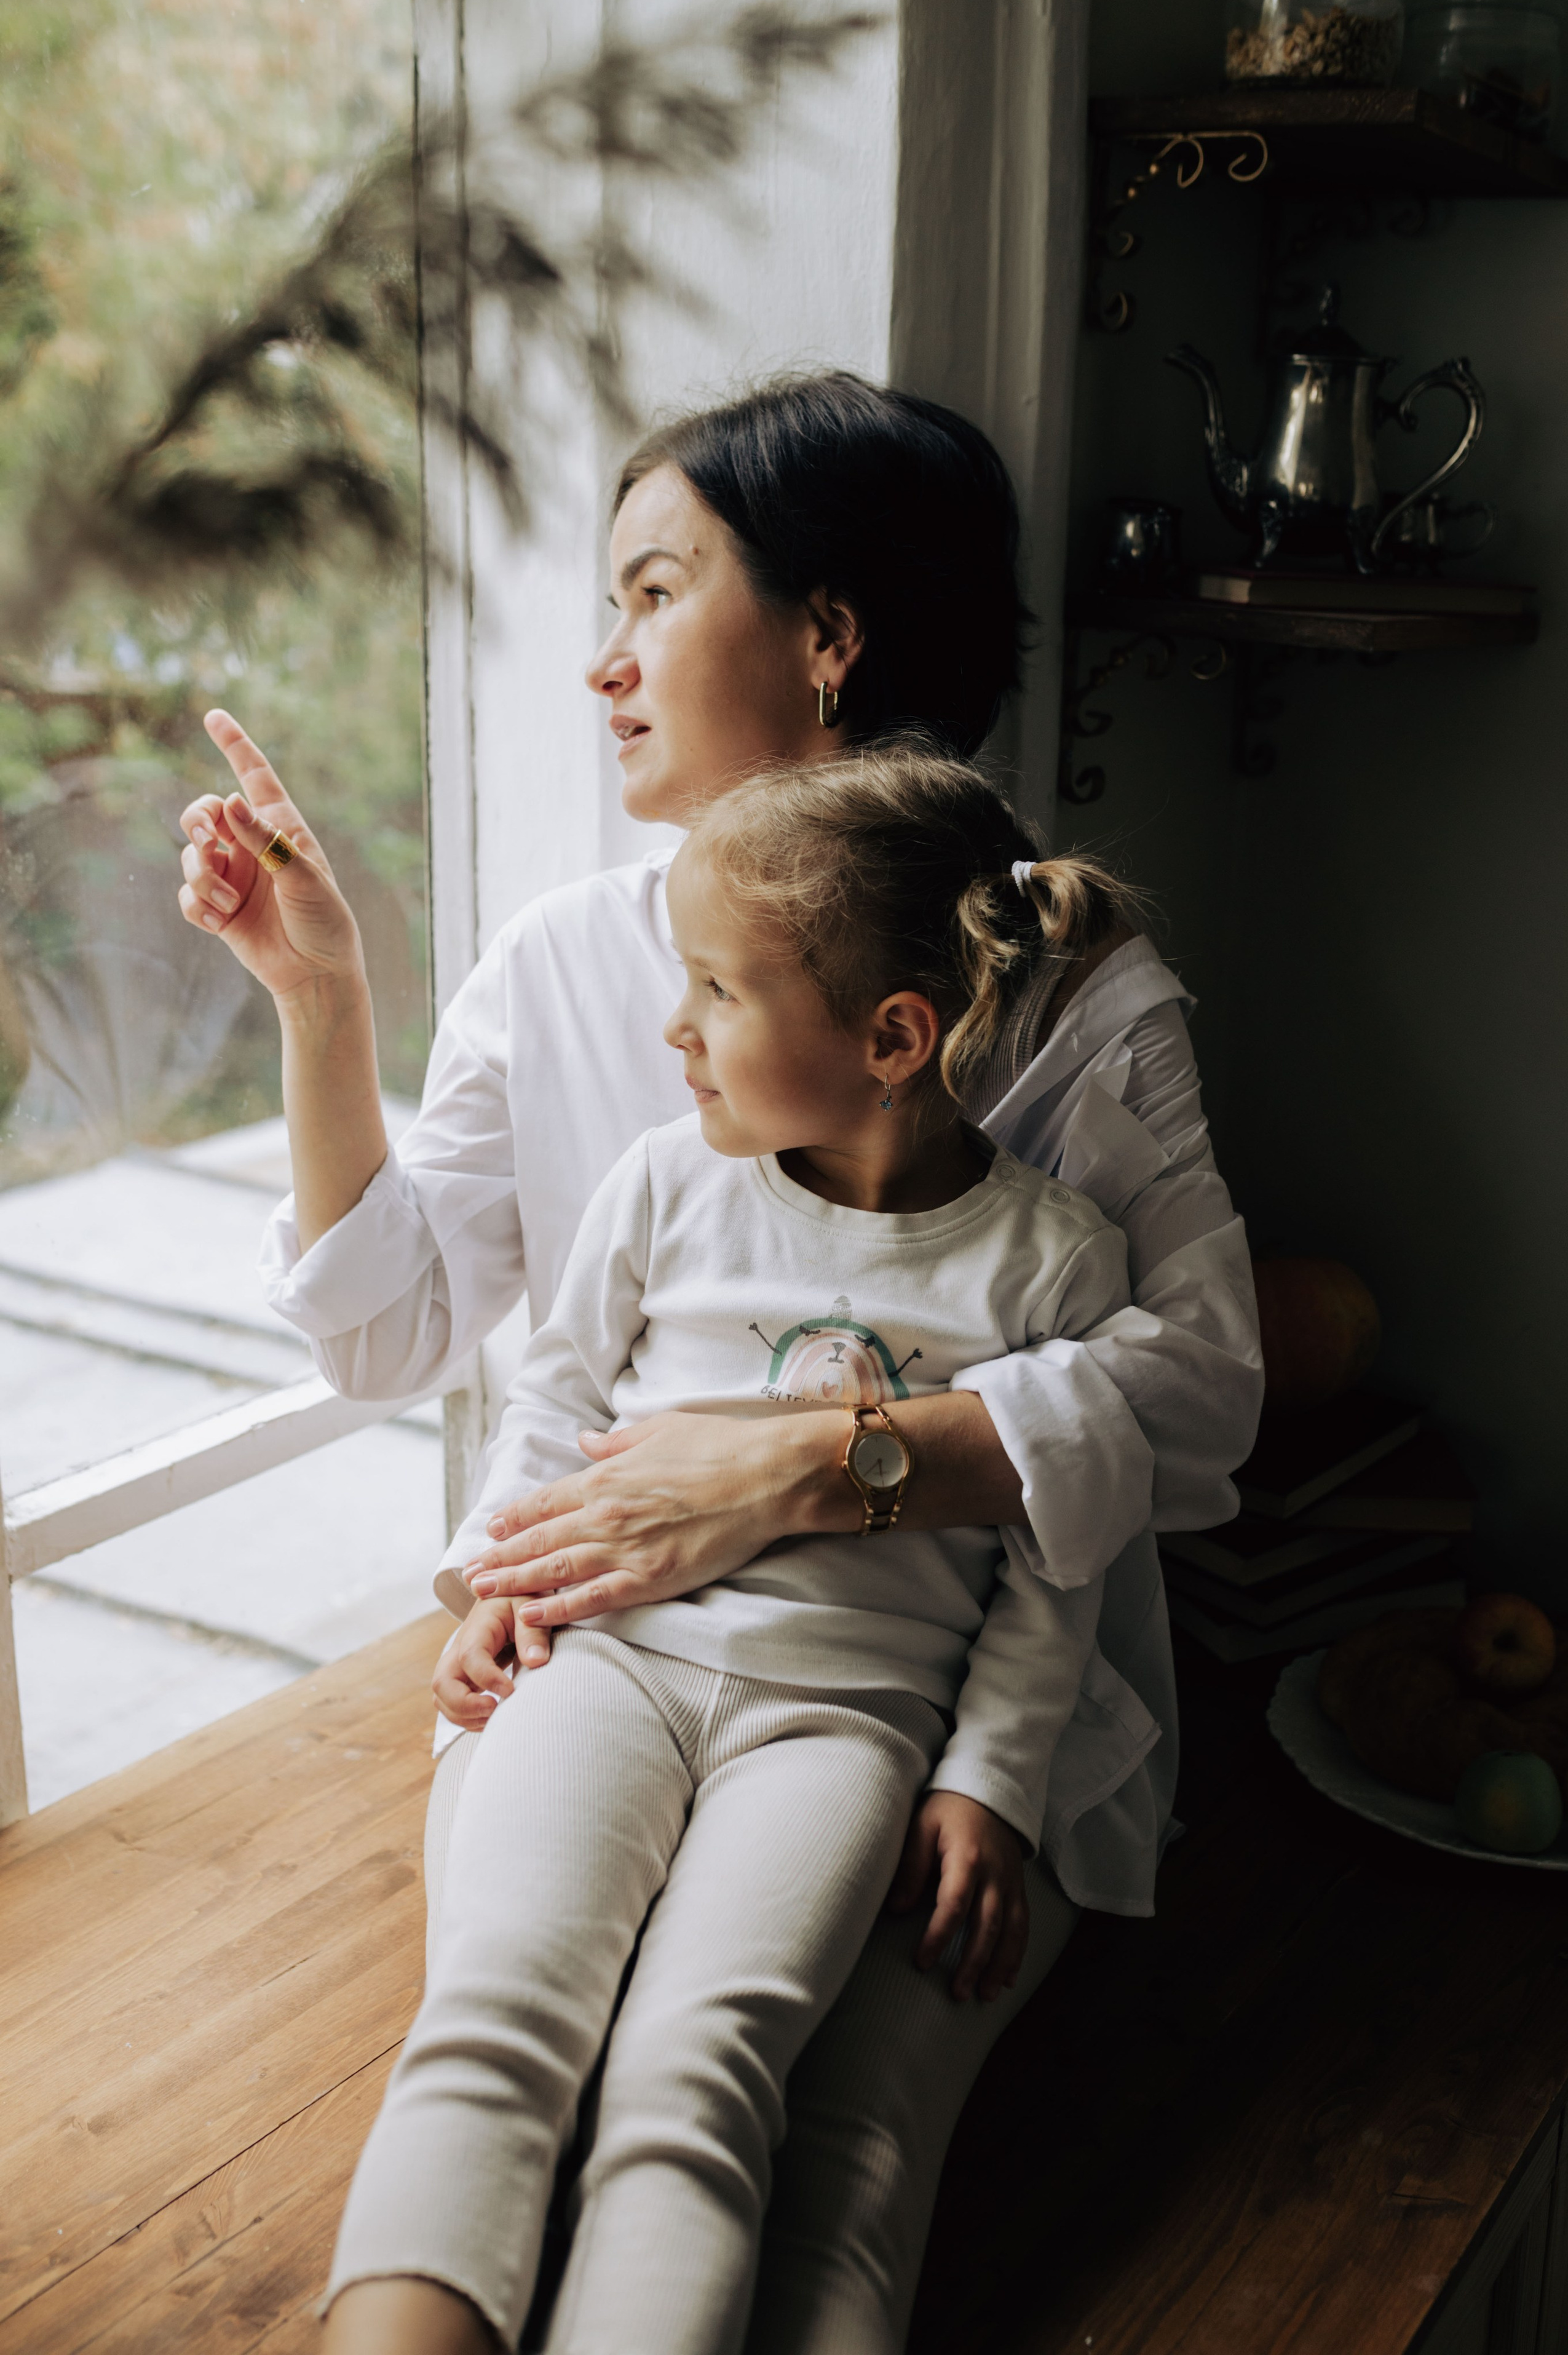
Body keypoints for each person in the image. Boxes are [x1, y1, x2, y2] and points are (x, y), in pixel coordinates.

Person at [175, 371, 1262, 2354]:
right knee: (526, 2063)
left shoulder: (1072, 982)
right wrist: (324, 1006)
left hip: (923, 1716)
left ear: (829, 638)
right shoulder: (569, 961)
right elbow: (399, 1334)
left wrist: (815, 1469)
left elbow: (1204, 1401)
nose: (603, 665)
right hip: (609, 1658)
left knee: (815, 2130)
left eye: (653, 592)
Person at [325, 749, 1141, 2353]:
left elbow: (1058, 1549)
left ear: (892, 1038)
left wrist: (987, 1777)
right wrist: (506, 1579)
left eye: (714, 989)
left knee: (698, 2071)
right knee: (496, 2020)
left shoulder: (1053, 1260)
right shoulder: (663, 1184)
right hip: (612, 1666)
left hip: (842, 1733)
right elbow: (556, 1393)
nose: (675, 1029)